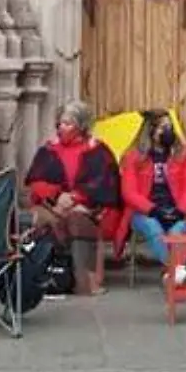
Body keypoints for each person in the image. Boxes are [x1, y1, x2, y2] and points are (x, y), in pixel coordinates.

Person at [23, 100, 123, 296]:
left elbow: (106, 184)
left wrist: (77, 199)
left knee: (77, 220)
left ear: (81, 125)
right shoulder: (48, 150)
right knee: (43, 219)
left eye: (68, 124)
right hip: (53, 206)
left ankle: (85, 282)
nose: (62, 128)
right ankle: (46, 278)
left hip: (91, 209)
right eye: (60, 123)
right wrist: (57, 197)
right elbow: (36, 182)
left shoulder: (98, 150)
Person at [120, 109, 186, 285]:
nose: (169, 131)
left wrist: (180, 211)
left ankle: (170, 274)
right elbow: (129, 192)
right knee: (152, 226)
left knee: (177, 230)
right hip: (144, 212)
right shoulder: (133, 156)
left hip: (176, 209)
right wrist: (153, 210)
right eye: (163, 128)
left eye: (170, 127)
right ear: (151, 131)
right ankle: (175, 270)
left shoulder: (183, 153)